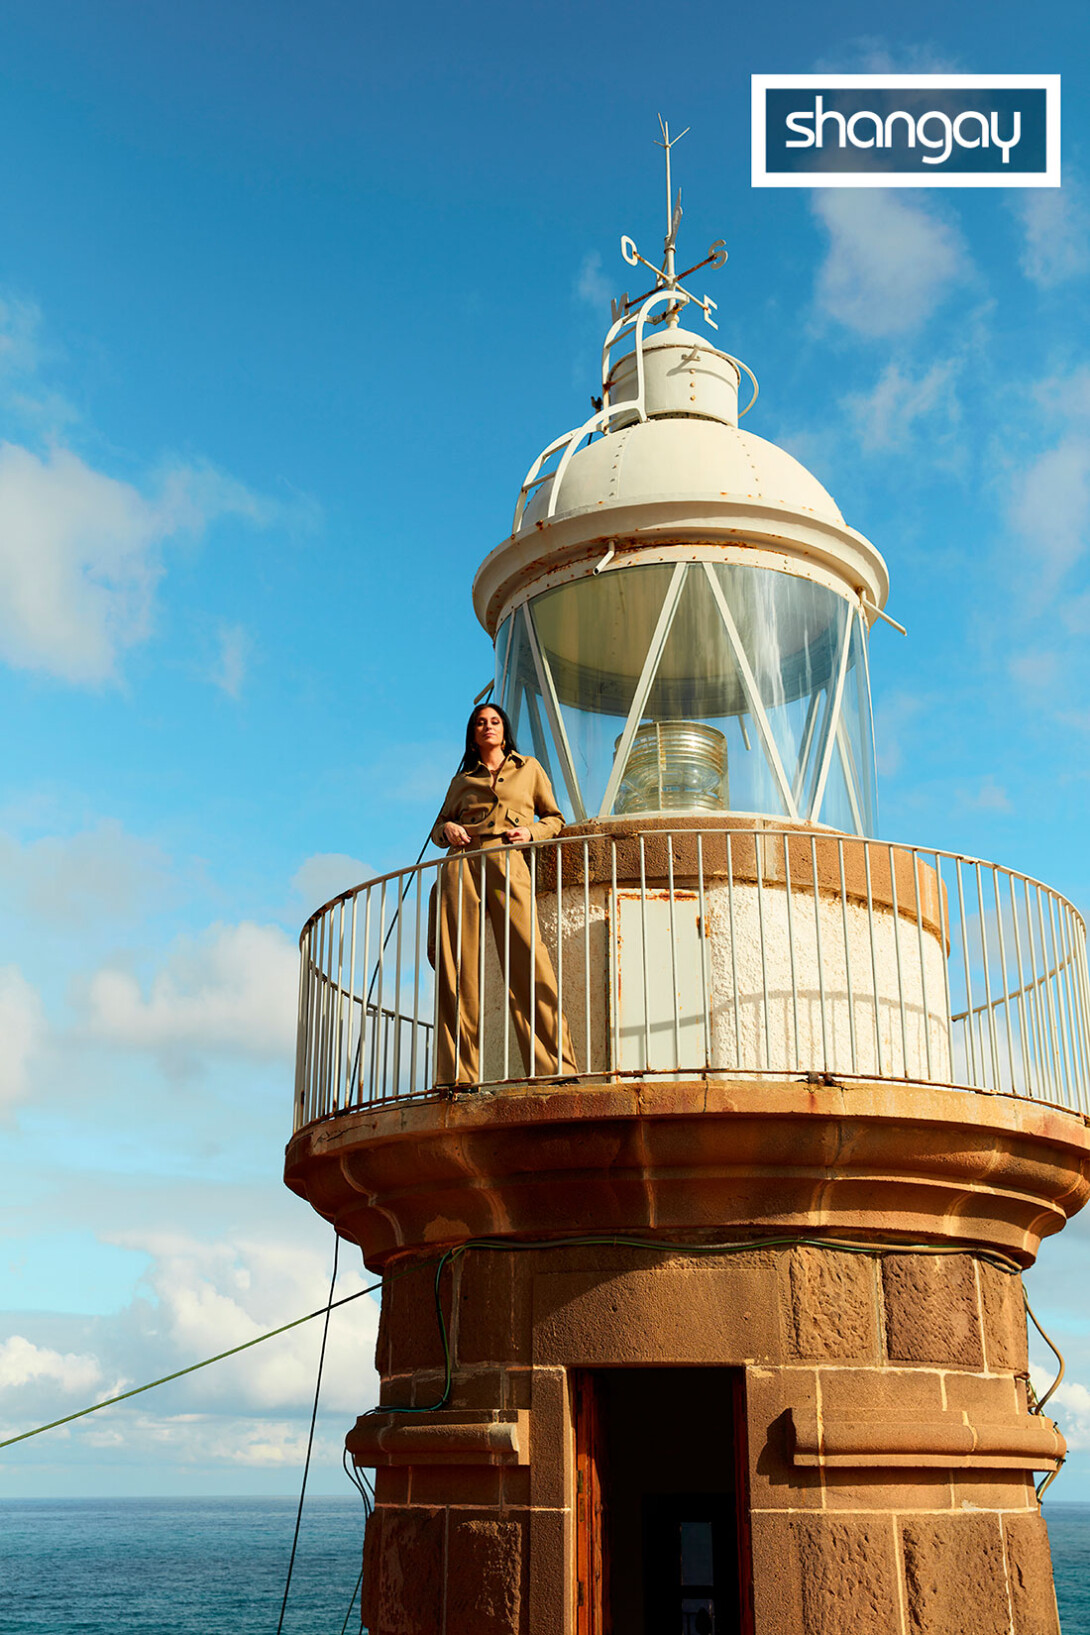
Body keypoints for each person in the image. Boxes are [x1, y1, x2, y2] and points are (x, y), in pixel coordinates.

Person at [432, 702, 577, 1087]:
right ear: (473, 733)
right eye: (480, 723)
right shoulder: (461, 780)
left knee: (529, 961)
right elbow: (437, 828)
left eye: (494, 721)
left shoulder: (528, 768)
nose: (487, 727)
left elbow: (555, 819)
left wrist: (531, 832)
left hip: (508, 859)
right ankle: (456, 1078)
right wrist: (448, 829)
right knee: (457, 969)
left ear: (504, 728)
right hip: (462, 863)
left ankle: (555, 1068)